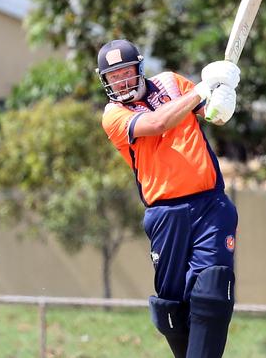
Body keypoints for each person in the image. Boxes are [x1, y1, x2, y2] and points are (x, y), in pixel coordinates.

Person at [97, 39, 240, 358]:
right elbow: (158, 123)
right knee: (172, 306)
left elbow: (214, 114)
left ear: (139, 68)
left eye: (124, 72)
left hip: (210, 206)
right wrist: (203, 88)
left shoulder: (172, 82)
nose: (120, 81)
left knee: (213, 289)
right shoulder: (114, 115)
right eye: (112, 76)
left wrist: (225, 91)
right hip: (165, 215)